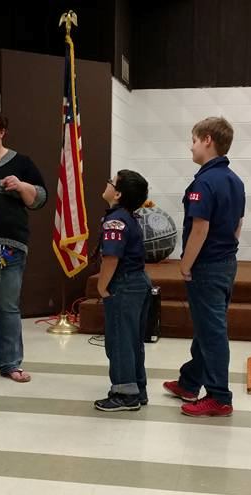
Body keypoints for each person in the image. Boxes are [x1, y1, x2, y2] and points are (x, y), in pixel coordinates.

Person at [163, 117, 245, 417]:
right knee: (207, 325)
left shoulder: (205, 182)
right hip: (226, 262)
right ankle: (189, 382)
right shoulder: (235, 180)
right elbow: (237, 224)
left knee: (212, 332)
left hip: (207, 265)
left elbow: (200, 228)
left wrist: (186, 264)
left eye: (194, 140)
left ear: (208, 140)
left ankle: (219, 396)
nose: (191, 146)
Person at [0, 110, 48, 383]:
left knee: (7, 307)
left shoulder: (22, 163)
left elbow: (39, 199)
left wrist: (22, 186)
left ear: (2, 131)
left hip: (9, 249)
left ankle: (11, 363)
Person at [93, 170, 151, 412]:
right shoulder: (126, 216)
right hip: (137, 281)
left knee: (119, 340)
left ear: (117, 194)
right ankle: (137, 387)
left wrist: (101, 285)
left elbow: (111, 257)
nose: (107, 183)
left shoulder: (115, 220)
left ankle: (124, 394)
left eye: (111, 182)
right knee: (132, 339)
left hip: (124, 284)